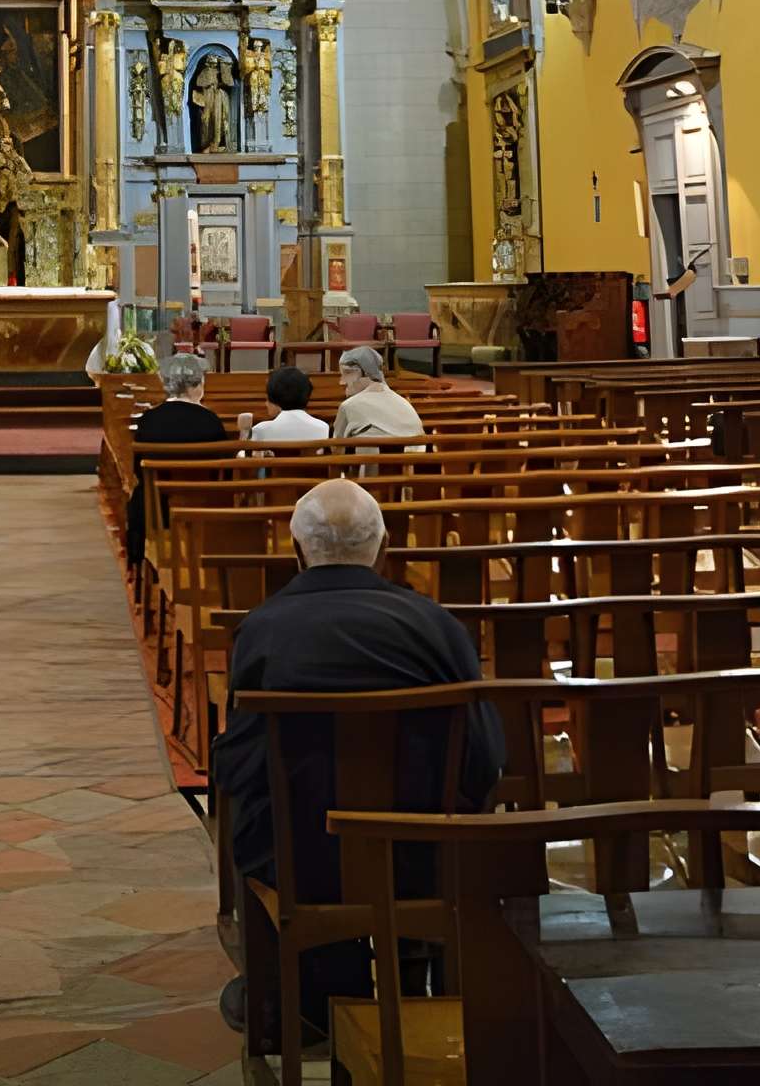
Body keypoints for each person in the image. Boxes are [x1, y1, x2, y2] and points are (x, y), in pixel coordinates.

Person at [214, 480, 503, 1041]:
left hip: (303, 863)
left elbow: (239, 767)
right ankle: (421, 984)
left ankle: (292, 1001)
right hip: (421, 852)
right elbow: (485, 752)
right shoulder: (436, 625)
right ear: (385, 548)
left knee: (259, 812)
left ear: (296, 553)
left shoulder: (265, 629)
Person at [125, 351, 226, 567]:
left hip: (157, 508)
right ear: (196, 385)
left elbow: (138, 469)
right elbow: (222, 470)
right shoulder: (211, 421)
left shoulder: (149, 420)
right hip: (206, 507)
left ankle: (144, 561)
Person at [332, 343, 424, 440]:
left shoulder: (348, 406)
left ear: (363, 373)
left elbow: (336, 448)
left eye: (346, 373)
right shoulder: (406, 404)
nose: (341, 382)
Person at [239, 364, 332, 445]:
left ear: (275, 397)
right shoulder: (323, 427)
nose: (266, 404)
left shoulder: (261, 430)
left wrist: (244, 431)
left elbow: (245, 460)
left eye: (267, 398)